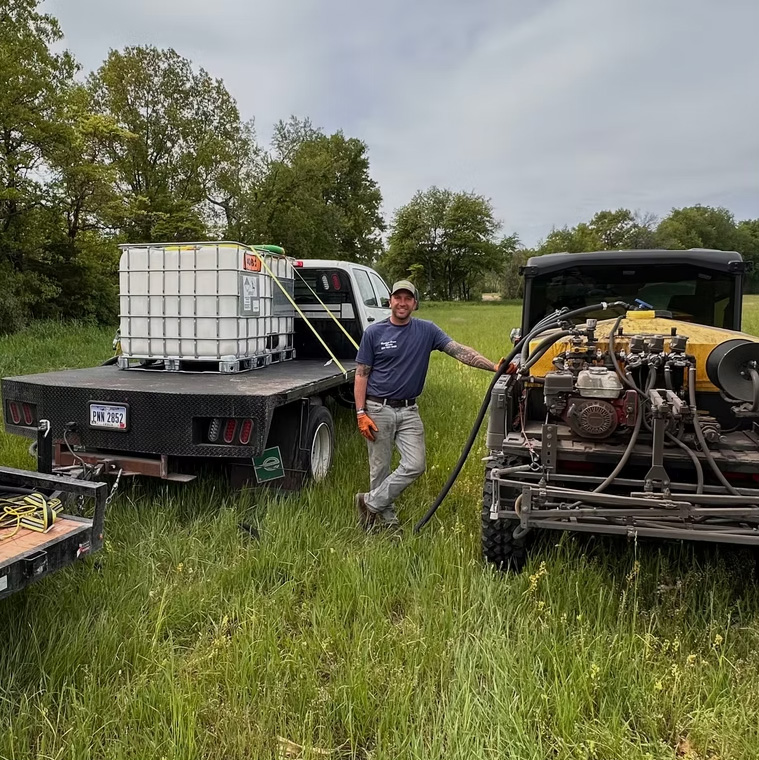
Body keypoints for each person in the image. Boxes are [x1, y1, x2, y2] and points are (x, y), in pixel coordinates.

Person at [353, 279, 498, 530]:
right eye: (397, 297)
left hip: (409, 410)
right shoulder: (374, 333)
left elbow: (459, 350)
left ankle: (368, 502)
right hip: (378, 408)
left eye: (407, 298)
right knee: (380, 468)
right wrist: (360, 412)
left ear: (415, 304)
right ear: (390, 301)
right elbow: (361, 374)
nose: (402, 302)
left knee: (415, 464)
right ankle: (386, 522)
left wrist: (495, 366)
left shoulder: (427, 330)